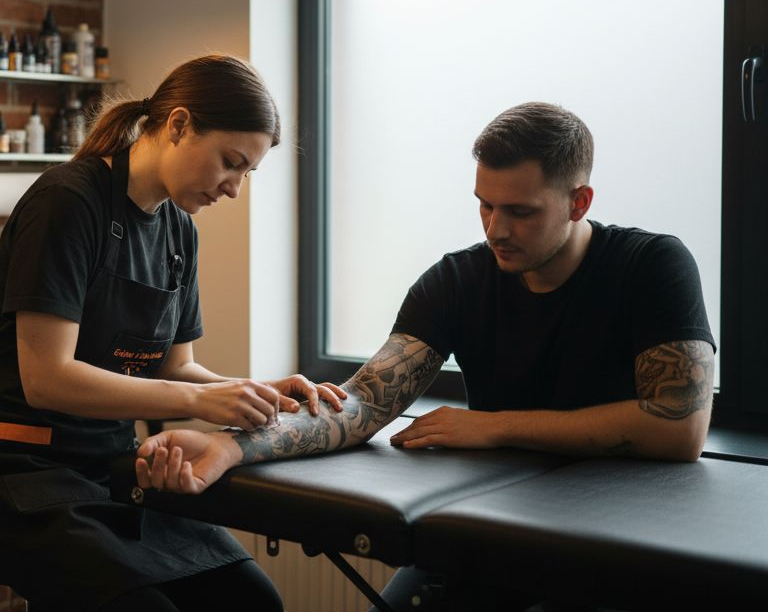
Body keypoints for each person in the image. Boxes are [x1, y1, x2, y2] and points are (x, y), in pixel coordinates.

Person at [134, 102, 716, 611]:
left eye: (521, 211)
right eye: (485, 205)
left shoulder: (653, 266)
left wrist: (494, 428)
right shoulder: (457, 280)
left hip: (620, 537)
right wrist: (232, 445)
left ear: (579, 201)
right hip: (495, 531)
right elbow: (361, 403)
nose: (496, 229)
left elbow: (678, 428)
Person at [0, 55, 344, 612]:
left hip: (109, 468)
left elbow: (176, 367)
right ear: (178, 125)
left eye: (247, 173)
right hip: (14, 471)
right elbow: (46, 379)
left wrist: (260, 392)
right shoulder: (69, 202)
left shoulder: (180, 233)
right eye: (231, 163)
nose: (233, 189)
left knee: (252, 601)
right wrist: (202, 399)